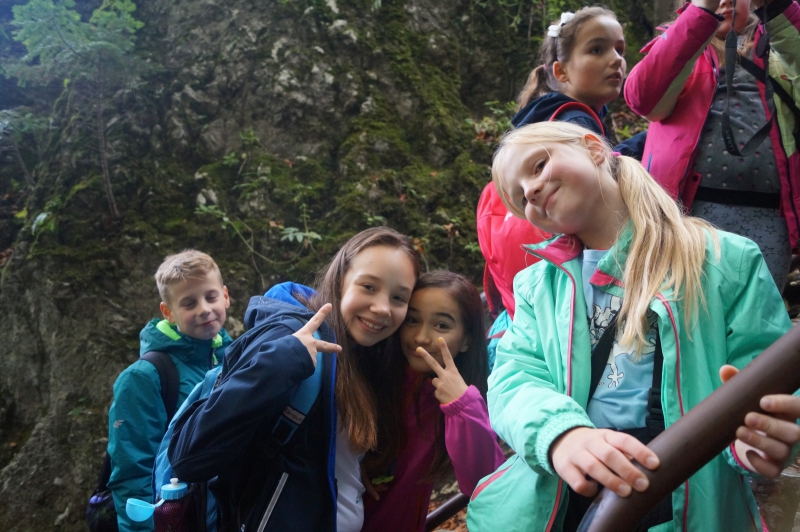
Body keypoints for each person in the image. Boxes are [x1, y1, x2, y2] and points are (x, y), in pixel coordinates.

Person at [467, 121, 800, 531]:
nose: (531, 191)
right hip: (569, 494)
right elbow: (514, 378)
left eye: (538, 166)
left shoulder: (725, 260)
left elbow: (770, 376)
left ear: (594, 149)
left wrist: (759, 437)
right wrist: (560, 434)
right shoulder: (537, 286)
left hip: (687, 489)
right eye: (521, 198)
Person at [168, 227, 419, 532]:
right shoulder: (289, 337)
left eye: (398, 297)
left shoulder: (362, 355)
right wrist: (283, 361)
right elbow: (188, 457)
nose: (381, 308)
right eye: (368, 286)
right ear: (340, 281)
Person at [479, 6, 636, 369]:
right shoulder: (574, 119)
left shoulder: (535, 118)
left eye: (620, 49)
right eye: (597, 49)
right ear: (560, 71)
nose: (616, 59)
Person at [625, 0, 800, 291]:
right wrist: (698, 17)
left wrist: (777, 7)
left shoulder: (781, 47)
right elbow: (643, 99)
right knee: (685, 309)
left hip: (769, 217)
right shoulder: (678, 48)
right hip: (687, 216)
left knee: (757, 313)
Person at [360, 270, 505, 532]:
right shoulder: (368, 371)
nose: (421, 337)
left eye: (441, 325)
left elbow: (484, 482)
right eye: (412, 320)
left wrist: (462, 406)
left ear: (467, 340)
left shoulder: (460, 403)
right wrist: (348, 469)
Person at [107, 250, 233, 532]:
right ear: (168, 312)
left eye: (210, 296)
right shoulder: (144, 377)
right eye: (189, 303)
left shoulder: (234, 359)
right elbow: (132, 473)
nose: (204, 309)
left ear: (225, 296)